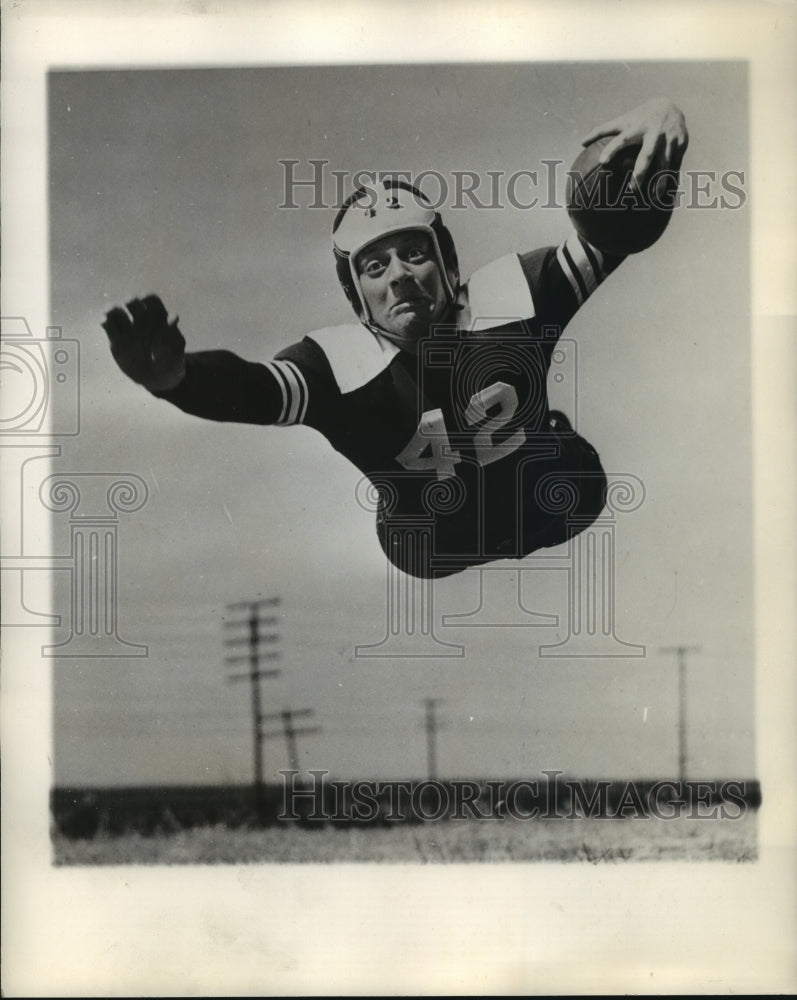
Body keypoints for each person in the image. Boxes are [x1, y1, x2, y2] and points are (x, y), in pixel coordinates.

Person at [102, 97, 688, 579]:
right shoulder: (339, 364)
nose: (400, 275)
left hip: (549, 502)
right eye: (375, 266)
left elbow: (614, 235)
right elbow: (253, 388)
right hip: (434, 541)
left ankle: (548, 444)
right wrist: (178, 380)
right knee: (419, 527)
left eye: (413, 252)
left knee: (578, 476)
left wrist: (659, 133)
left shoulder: (512, 296)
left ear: (449, 265)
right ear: (356, 296)